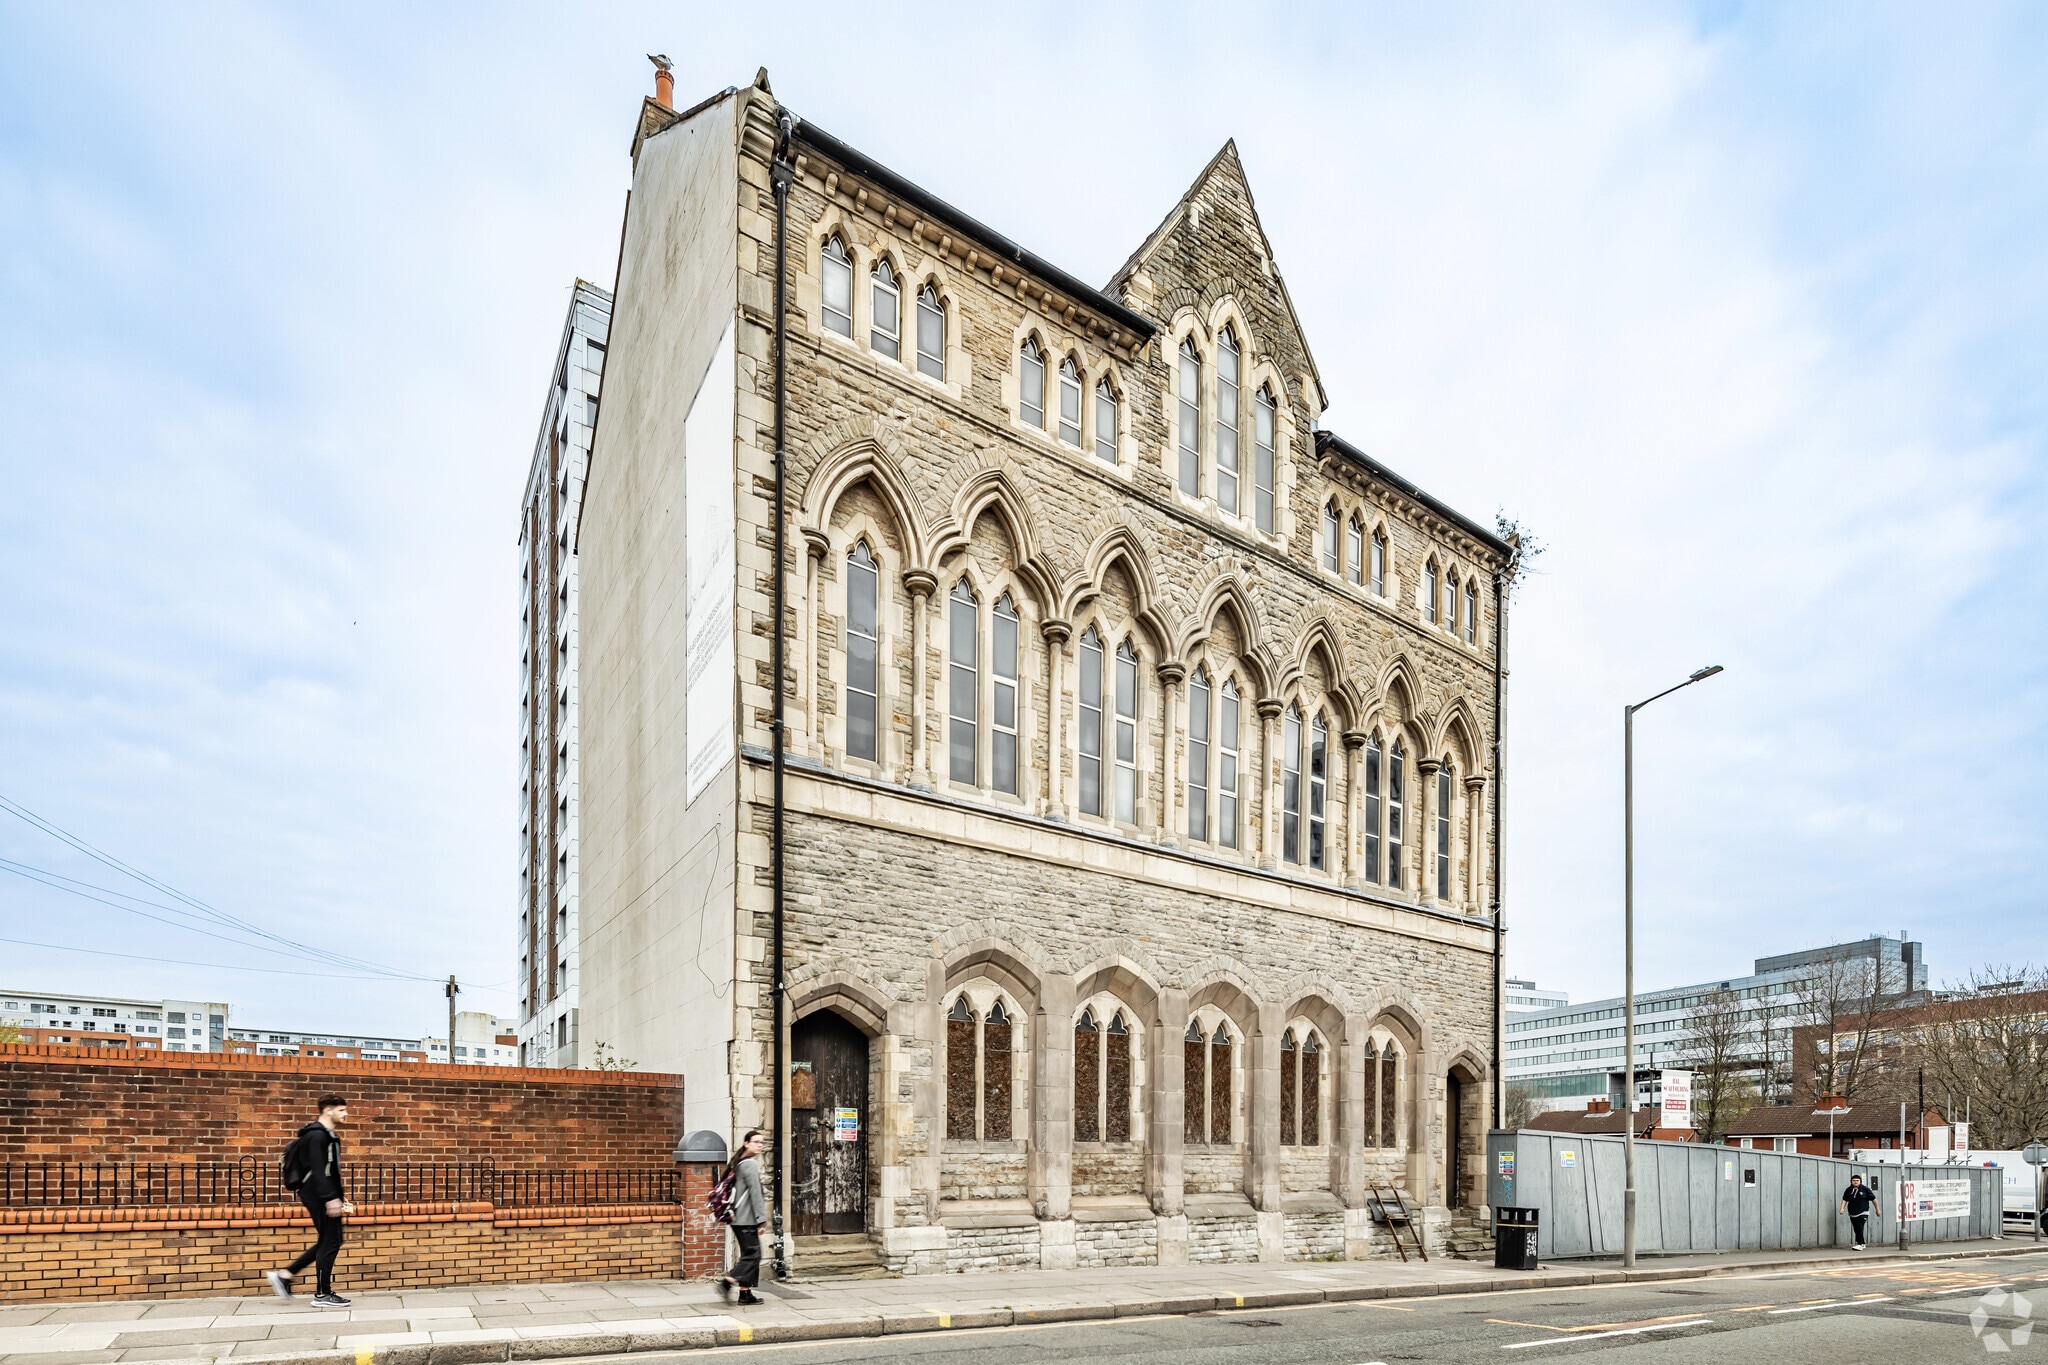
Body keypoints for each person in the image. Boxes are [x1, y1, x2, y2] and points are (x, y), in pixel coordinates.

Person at [267, 1095, 354, 1307]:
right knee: (330, 1241)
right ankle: (322, 1294)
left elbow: (331, 1170)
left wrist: (338, 1194)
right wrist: (330, 1197)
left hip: (322, 1193)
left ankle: (285, 1275)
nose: (346, 1114)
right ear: (328, 1110)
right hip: (317, 1194)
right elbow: (318, 1170)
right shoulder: (317, 1136)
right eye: (341, 1110)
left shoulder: (327, 1135)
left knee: (330, 1240)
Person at [715, 1128, 768, 1306]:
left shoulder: (739, 1162)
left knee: (748, 1254)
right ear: (746, 1143)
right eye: (756, 1142)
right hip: (746, 1218)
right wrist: (762, 1219)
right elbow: (756, 1194)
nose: (760, 1145)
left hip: (737, 1218)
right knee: (754, 1255)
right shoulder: (749, 1164)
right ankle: (727, 1282)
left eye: (762, 1142)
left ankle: (745, 1294)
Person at [1840, 1173, 1880, 1250]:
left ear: (1860, 1181)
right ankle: (1862, 1243)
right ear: (1851, 1181)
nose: (1855, 1182)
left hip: (1863, 1212)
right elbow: (1845, 1199)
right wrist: (1842, 1208)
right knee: (1856, 1228)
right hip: (1852, 1212)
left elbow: (1874, 1199)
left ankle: (1860, 1244)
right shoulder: (1848, 1190)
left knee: (1859, 1227)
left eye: (1857, 1180)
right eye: (1854, 1180)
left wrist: (1877, 1209)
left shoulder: (1865, 1189)